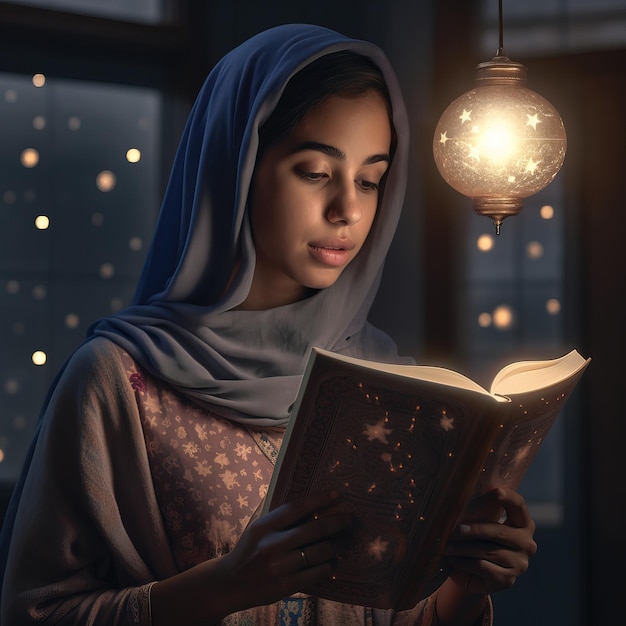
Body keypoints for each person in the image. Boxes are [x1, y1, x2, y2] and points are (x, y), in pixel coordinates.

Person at [0, 24, 537, 625]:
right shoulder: (120, 381)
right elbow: (36, 614)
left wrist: (468, 583)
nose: (349, 210)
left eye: (370, 180)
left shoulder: (389, 383)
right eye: (315, 172)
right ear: (240, 167)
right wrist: (225, 587)